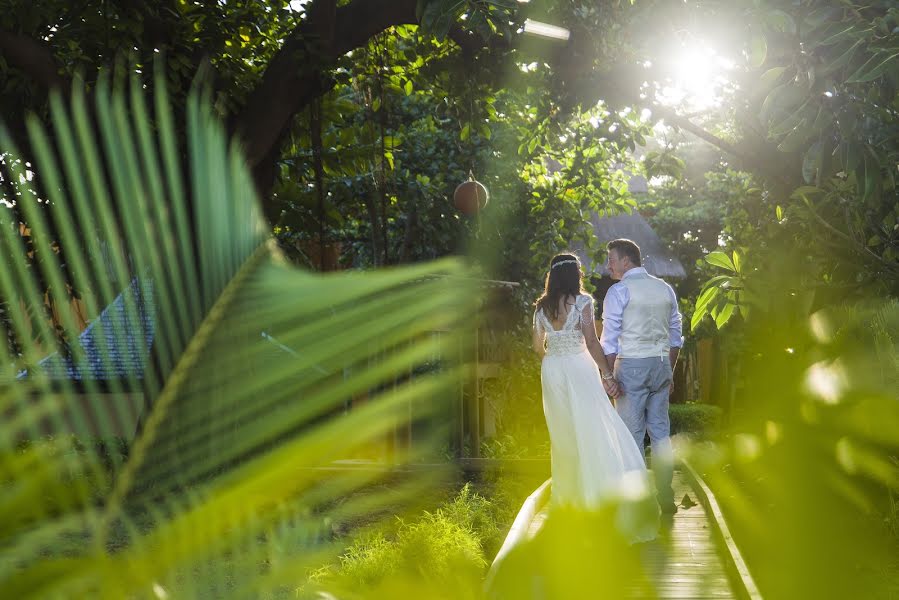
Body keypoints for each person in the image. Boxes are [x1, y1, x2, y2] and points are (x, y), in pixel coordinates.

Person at [532, 253, 656, 534]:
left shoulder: (541, 307)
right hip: (579, 366)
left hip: (551, 370)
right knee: (592, 427)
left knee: (562, 433)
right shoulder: (583, 302)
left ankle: (567, 502)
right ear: (575, 275)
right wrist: (608, 373)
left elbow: (538, 347)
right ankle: (597, 496)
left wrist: (554, 358)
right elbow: (590, 341)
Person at [600, 239, 683, 515]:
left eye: (611, 259)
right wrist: (669, 371)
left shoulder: (619, 291)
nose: (608, 265)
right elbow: (675, 335)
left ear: (626, 261)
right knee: (660, 434)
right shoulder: (664, 288)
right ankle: (665, 495)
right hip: (660, 365)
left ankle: (638, 502)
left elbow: (609, 341)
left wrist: (608, 376)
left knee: (631, 435)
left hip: (631, 366)